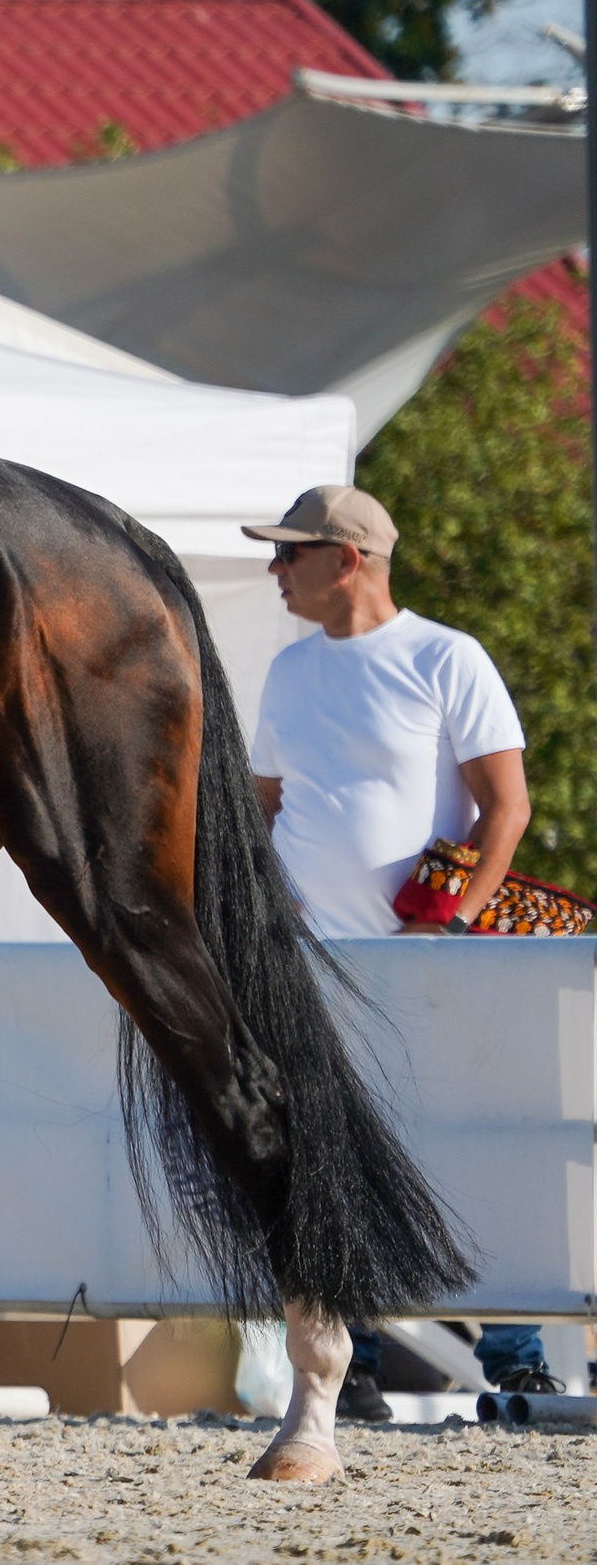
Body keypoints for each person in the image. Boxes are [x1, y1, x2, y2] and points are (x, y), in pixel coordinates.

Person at [243, 483, 560, 1410]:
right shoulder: (289, 672)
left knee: (473, 1151)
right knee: (332, 1165)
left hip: (433, 968)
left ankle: (515, 1355)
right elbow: (266, 809)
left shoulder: (446, 658)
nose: (274, 568)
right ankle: (357, 1368)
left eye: (289, 553)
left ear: (348, 560)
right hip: (318, 969)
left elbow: (508, 808)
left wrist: (456, 930)